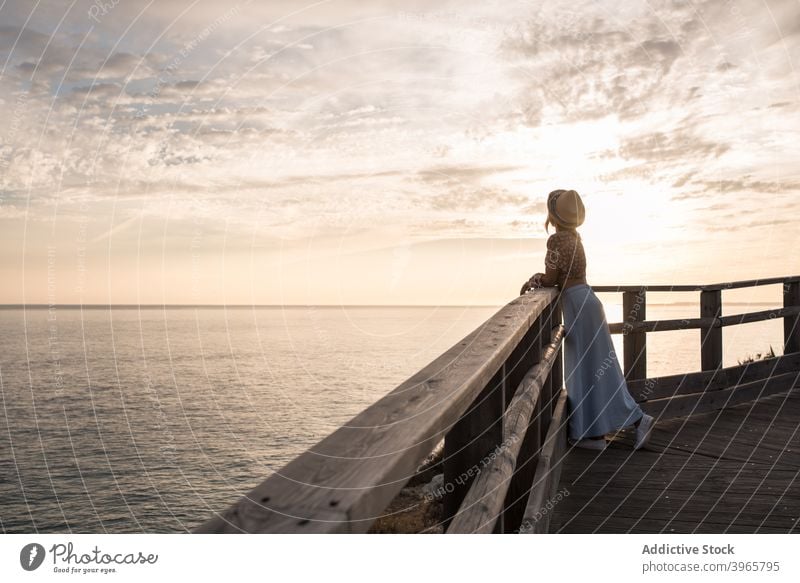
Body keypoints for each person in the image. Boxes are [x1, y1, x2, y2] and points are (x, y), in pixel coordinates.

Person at [519, 189, 654, 451]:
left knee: (583, 369)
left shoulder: (557, 241)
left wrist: (535, 279)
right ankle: (594, 433)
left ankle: (628, 422)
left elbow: (550, 279)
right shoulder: (575, 238)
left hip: (577, 305)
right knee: (597, 368)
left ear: (553, 215)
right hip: (587, 302)